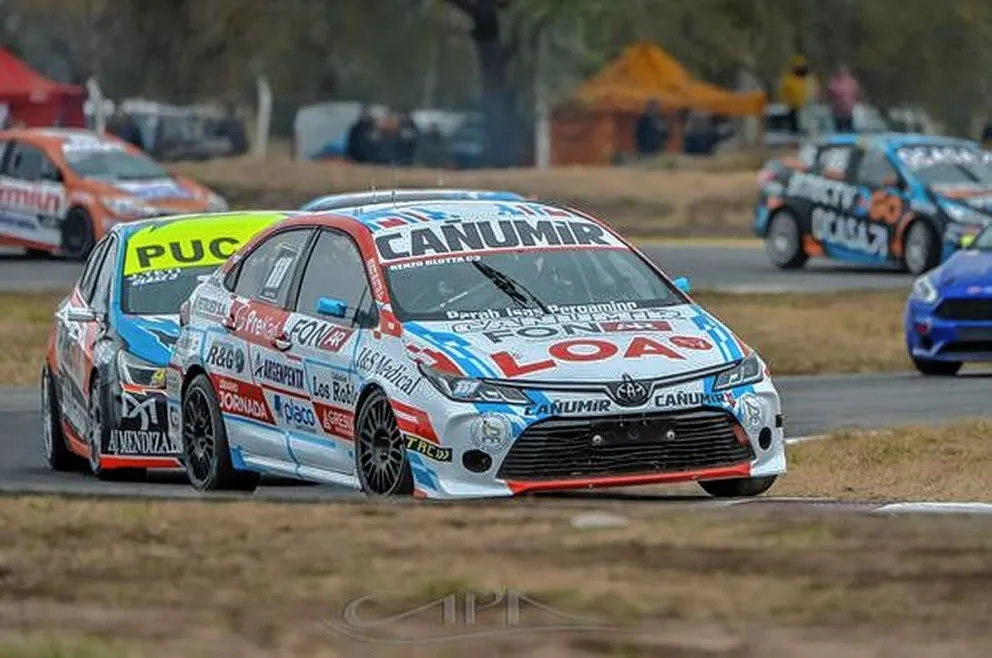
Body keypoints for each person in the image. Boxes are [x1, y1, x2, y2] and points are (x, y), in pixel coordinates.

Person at [777, 55, 814, 135]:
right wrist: (787, 102)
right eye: (799, 67)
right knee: (795, 126)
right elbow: (784, 92)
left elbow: (812, 91)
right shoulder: (789, 79)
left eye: (802, 66)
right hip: (794, 106)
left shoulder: (807, 79)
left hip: (806, 106)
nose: (801, 69)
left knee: (806, 124)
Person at [827, 65, 860, 133]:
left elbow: (856, 93)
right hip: (837, 110)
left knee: (849, 126)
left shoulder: (851, 82)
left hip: (848, 109)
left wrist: (853, 103)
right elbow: (829, 95)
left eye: (843, 71)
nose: (842, 73)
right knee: (839, 127)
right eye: (840, 71)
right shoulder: (833, 83)